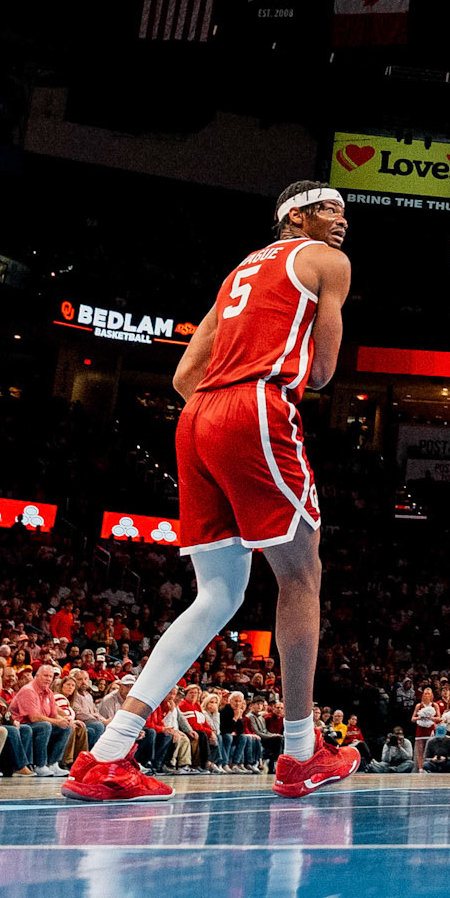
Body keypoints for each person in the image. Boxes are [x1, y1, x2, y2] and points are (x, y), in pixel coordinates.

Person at [62, 182, 361, 804]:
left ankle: (108, 753)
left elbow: (183, 375)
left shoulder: (237, 275)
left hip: (196, 417)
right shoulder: (326, 261)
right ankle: (301, 753)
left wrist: (223, 409)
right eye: (329, 209)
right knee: (302, 576)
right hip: (256, 406)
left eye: (342, 212)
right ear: (295, 216)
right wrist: (255, 401)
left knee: (219, 595)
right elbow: (323, 372)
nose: (341, 221)